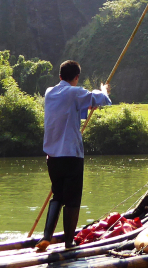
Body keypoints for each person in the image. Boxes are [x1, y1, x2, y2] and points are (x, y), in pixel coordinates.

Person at [35, 60, 111, 252]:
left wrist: (86, 107)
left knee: (57, 195)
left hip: (52, 156)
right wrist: (104, 90)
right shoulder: (75, 92)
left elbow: (71, 110)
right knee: (73, 199)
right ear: (76, 78)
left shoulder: (49, 92)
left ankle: (46, 237)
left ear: (60, 76)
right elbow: (101, 99)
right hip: (71, 155)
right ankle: (69, 242)